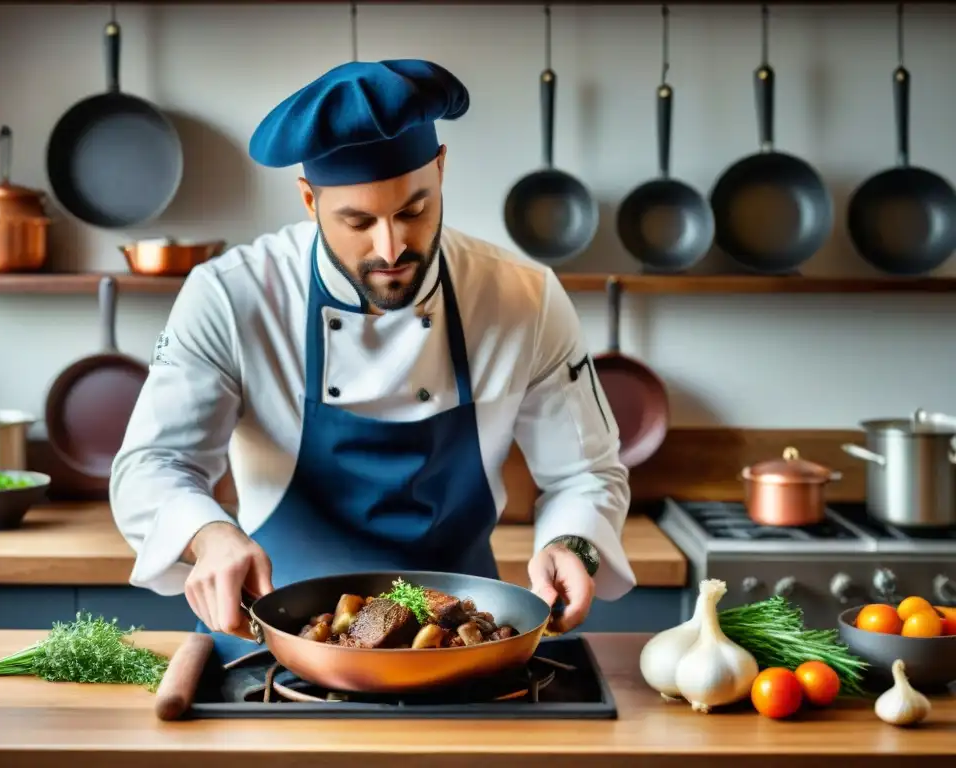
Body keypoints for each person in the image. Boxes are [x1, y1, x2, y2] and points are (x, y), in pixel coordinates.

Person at [110, 58, 637, 664]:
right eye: (357, 221)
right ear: (309, 200)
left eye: (413, 211)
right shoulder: (232, 295)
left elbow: (586, 472)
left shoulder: (524, 296)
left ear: (440, 170)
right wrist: (209, 537)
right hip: (277, 645)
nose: (391, 249)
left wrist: (574, 546)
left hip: (465, 648)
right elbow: (152, 464)